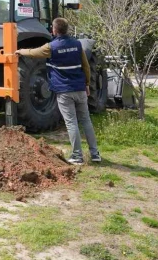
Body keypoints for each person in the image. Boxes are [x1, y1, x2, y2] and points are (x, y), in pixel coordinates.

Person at [17, 17, 100, 165]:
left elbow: (34, 53)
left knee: (71, 123)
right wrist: (87, 84)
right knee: (86, 121)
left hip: (64, 92)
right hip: (80, 89)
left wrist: (20, 51)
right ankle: (95, 154)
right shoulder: (77, 45)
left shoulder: (51, 47)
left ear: (54, 30)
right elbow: (86, 66)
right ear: (67, 29)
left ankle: (77, 156)